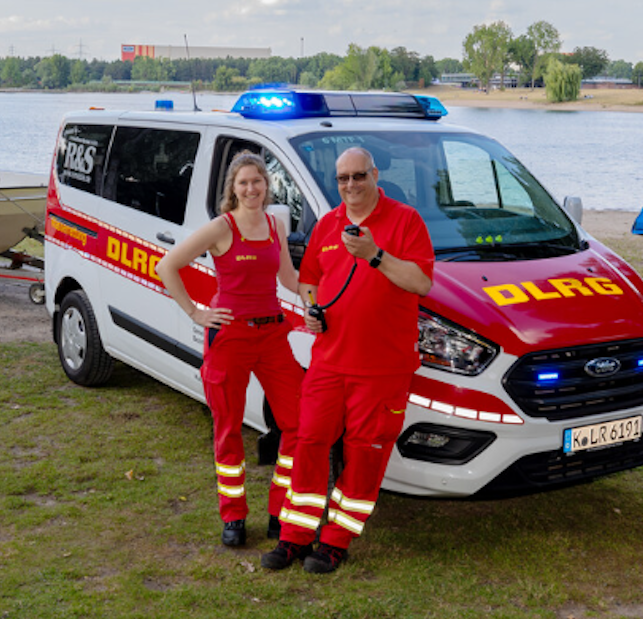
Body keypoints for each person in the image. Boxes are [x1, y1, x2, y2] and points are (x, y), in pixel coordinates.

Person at [262, 147, 434, 574]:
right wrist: (312, 309)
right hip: (329, 362)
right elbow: (309, 280)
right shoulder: (328, 223)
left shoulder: (406, 221)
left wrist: (375, 254)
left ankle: (336, 541)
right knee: (308, 442)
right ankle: (294, 536)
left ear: (375, 175)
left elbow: (421, 282)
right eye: (343, 178)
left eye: (359, 176)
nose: (351, 185)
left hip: (383, 368)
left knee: (365, 454)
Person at [154, 152, 303, 549]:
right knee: (228, 427)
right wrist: (195, 312)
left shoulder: (275, 225)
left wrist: (324, 296)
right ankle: (233, 515)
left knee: (298, 423)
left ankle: (281, 511)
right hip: (230, 337)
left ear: (266, 185)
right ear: (233, 189)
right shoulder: (222, 227)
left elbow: (289, 278)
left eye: (257, 181)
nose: (252, 188)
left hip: (273, 336)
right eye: (244, 183)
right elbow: (167, 266)